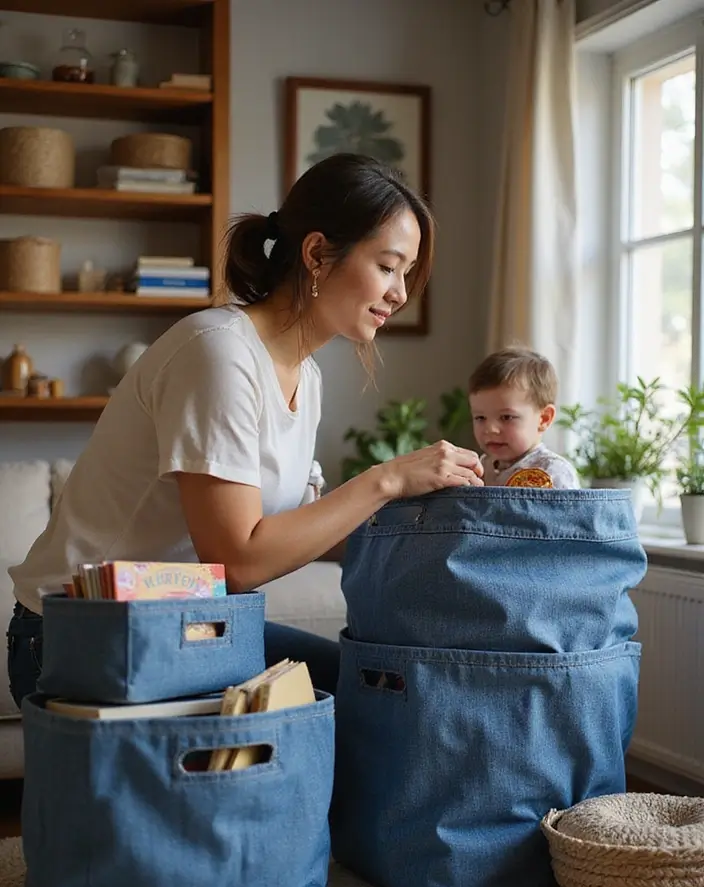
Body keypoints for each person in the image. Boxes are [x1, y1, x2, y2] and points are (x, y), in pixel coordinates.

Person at [7, 152, 485, 709]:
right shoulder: (218, 353)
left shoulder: (305, 374)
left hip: (185, 629)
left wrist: (445, 527)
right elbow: (239, 561)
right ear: (316, 254)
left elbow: (299, 530)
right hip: (80, 640)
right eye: (387, 266)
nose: (401, 293)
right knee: (365, 704)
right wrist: (386, 481)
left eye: (406, 273)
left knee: (386, 689)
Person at [467, 347, 580, 488]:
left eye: (506, 417)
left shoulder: (553, 471)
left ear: (544, 418)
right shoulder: (480, 468)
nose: (490, 429)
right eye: (480, 418)